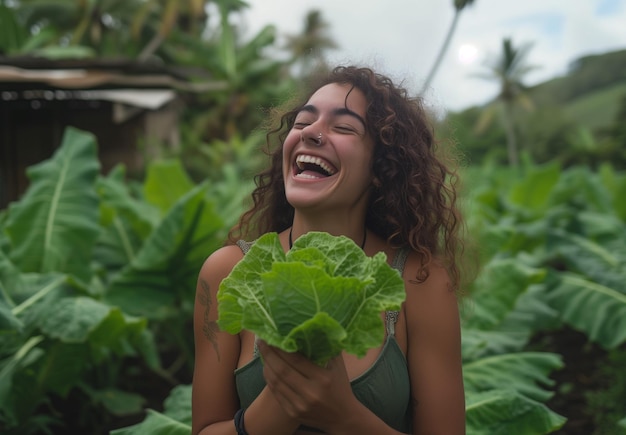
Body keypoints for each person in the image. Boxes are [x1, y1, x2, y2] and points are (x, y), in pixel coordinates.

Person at [192, 65, 466, 435]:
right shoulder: (227, 271)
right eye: (302, 122)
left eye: (344, 127)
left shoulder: (421, 280)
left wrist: (342, 416)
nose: (312, 134)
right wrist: (278, 407)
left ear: (380, 168)